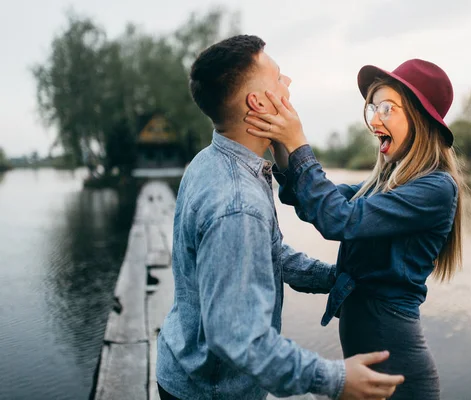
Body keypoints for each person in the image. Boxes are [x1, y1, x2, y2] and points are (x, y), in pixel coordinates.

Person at [155, 34, 405, 400]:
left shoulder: (211, 161)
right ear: (257, 102)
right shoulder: (237, 203)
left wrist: (331, 277)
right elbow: (238, 338)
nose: (287, 83)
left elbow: (262, 253)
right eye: (277, 77)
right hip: (210, 391)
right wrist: (335, 379)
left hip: (187, 372)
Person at [244, 58, 465, 400]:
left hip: (399, 377)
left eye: (387, 108)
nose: (374, 119)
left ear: (421, 119)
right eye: (373, 108)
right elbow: (317, 203)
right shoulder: (385, 183)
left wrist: (299, 142)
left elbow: (338, 219)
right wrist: (284, 150)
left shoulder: (436, 188)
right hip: (370, 369)